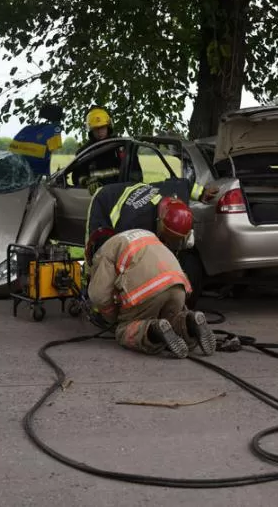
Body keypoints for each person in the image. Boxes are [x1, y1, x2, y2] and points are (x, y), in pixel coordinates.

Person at [84, 224, 216, 358]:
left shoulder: (104, 251)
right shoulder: (142, 234)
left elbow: (100, 297)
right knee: (172, 320)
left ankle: (153, 329)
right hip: (177, 283)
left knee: (123, 330)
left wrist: (113, 318)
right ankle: (190, 322)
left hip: (147, 291)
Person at [86, 179, 217, 243]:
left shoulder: (176, 192)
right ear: (159, 221)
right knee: (97, 247)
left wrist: (202, 193)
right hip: (105, 199)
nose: (170, 241)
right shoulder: (132, 224)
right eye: (168, 237)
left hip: (132, 192)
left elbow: (186, 184)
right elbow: (120, 247)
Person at [72, 106, 141, 192]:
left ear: (108, 127)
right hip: (97, 197)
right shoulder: (85, 152)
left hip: (122, 194)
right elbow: (77, 176)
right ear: (90, 130)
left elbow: (136, 173)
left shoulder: (122, 147)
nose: (99, 131)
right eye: (96, 128)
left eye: (102, 127)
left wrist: (132, 189)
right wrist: (86, 181)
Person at [8, 103, 64, 178]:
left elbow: (12, 152)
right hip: (37, 180)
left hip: (15, 175)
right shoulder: (54, 131)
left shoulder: (26, 130)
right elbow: (56, 161)